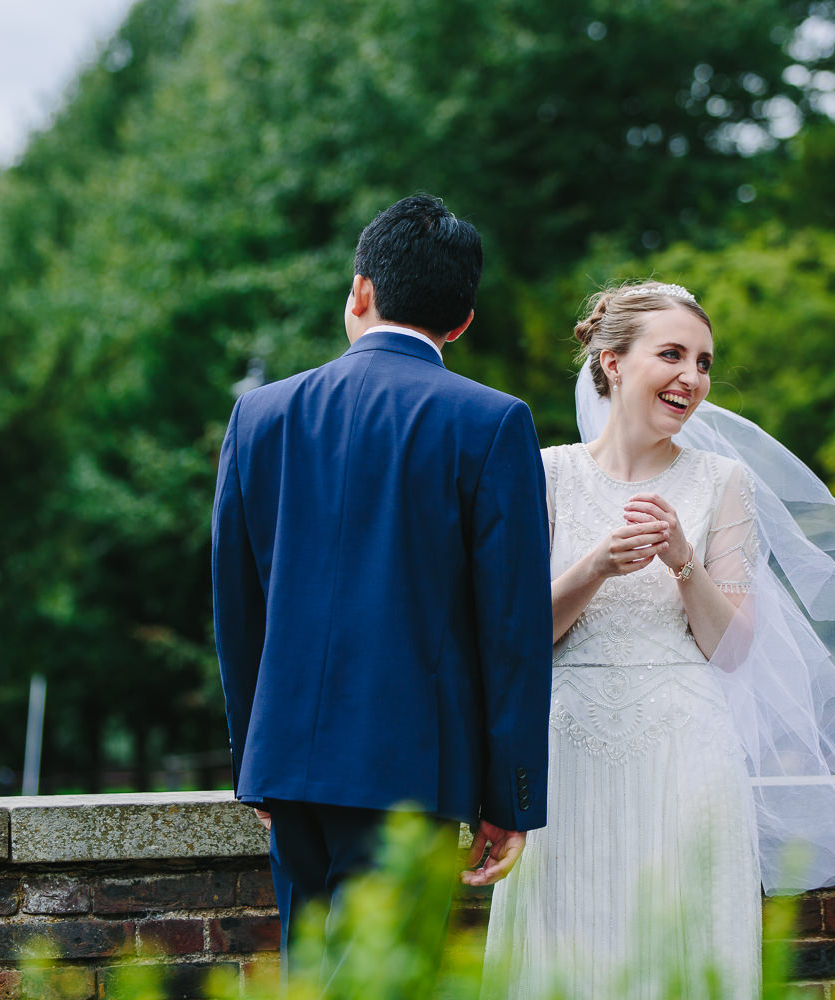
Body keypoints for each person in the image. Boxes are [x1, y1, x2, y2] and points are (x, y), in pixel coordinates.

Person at [482, 281, 835, 999]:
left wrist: (683, 561)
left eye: (703, 362)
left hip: (688, 755)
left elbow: (732, 650)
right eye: (672, 354)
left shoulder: (721, 482)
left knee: (684, 949)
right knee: (570, 951)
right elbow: (518, 638)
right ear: (611, 362)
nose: (693, 378)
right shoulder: (546, 473)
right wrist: (596, 565)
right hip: (569, 749)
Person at [212, 194, 554, 975]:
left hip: (288, 762)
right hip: (415, 772)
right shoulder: (492, 423)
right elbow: (513, 628)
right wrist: (510, 798)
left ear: (359, 291)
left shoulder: (259, 417)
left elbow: (237, 610)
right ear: (462, 321)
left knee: (313, 979)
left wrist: (253, 762)